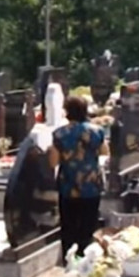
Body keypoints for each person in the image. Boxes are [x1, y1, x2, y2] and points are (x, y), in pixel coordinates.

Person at [48, 96, 109, 261]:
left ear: (67, 111)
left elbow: (53, 162)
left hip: (68, 185)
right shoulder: (97, 131)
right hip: (91, 184)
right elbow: (105, 152)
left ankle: (70, 260)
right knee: (88, 225)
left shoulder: (60, 134)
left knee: (68, 226)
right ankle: (87, 259)